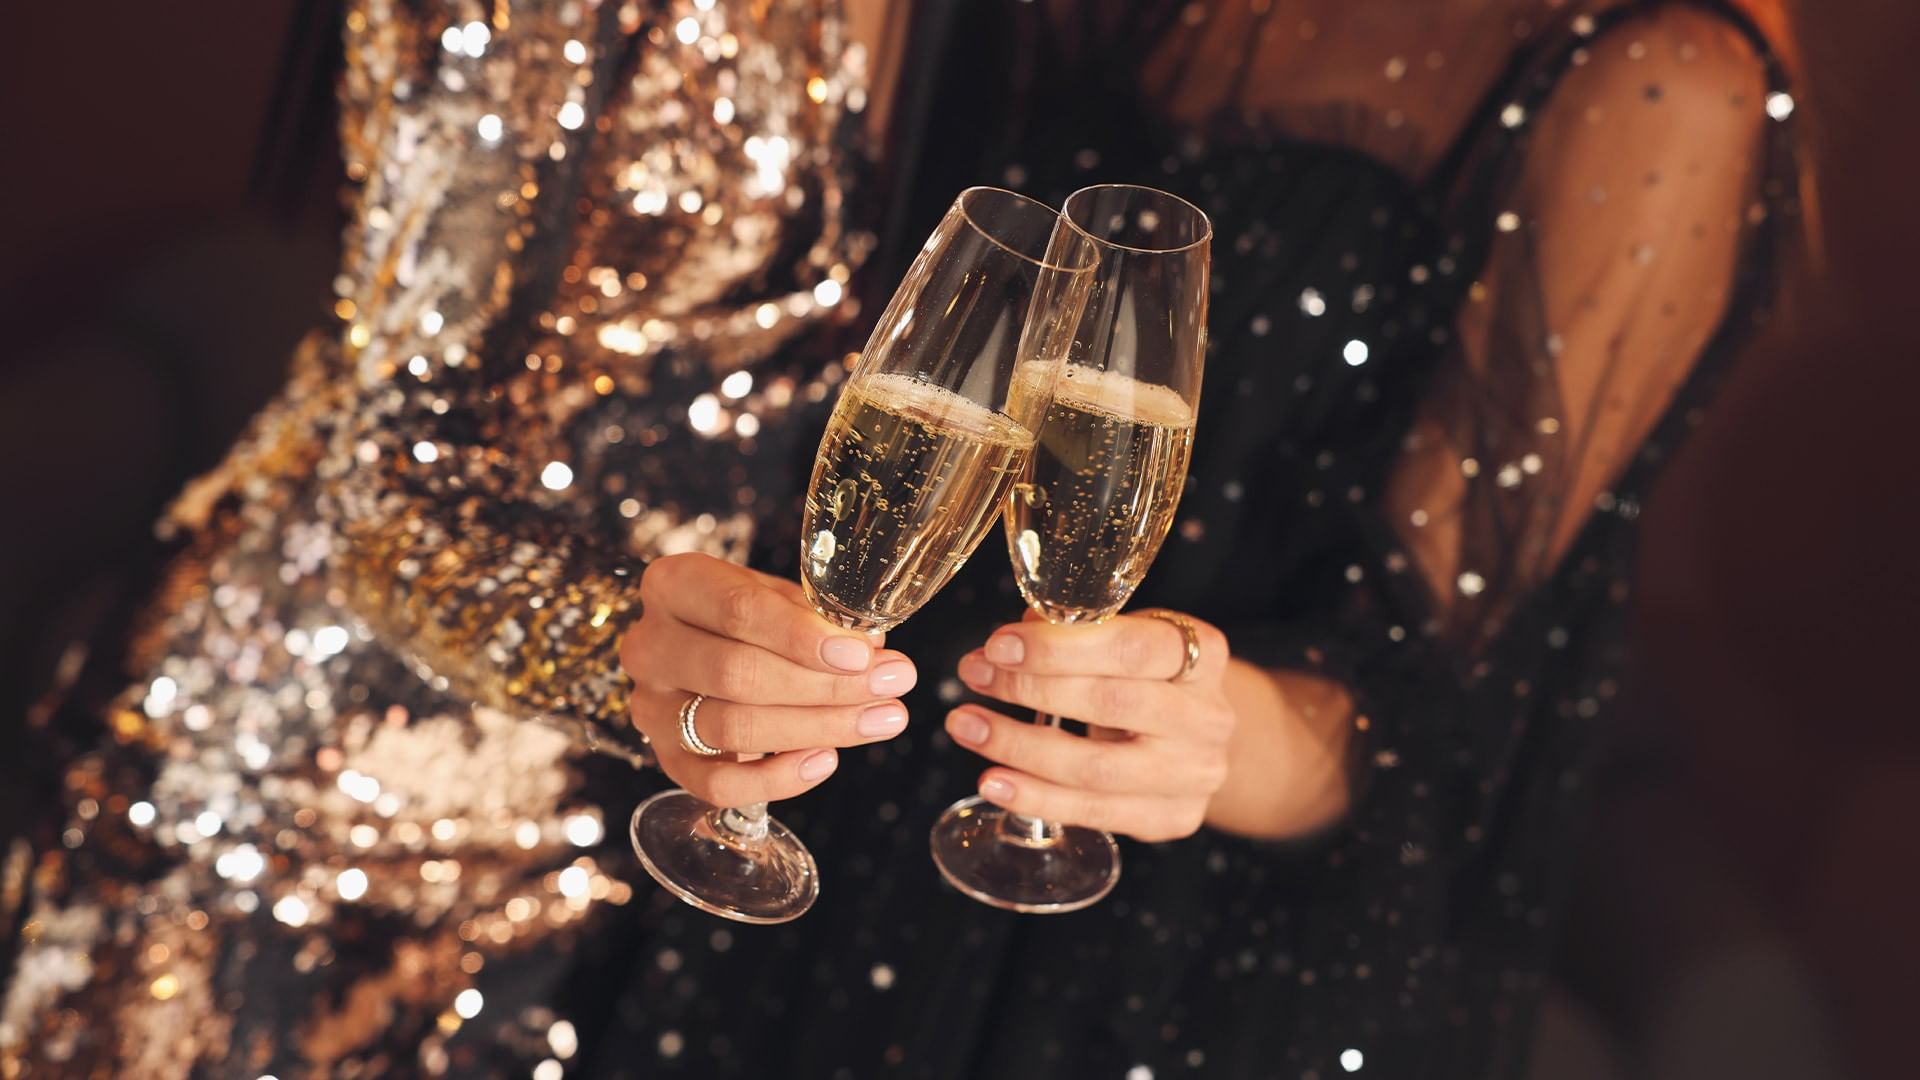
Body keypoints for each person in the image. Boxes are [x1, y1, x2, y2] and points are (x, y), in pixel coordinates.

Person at [0, 0, 1800, 1077]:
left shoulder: (1654, 83)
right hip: (440, 842)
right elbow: (385, 466)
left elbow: (1451, 726)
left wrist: (1217, 728)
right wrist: (615, 657)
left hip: (1044, 939)